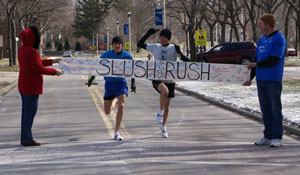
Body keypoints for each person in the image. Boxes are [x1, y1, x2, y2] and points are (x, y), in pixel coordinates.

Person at [137, 28, 189, 138]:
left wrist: (179, 52)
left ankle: (163, 126)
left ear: (168, 38)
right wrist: (148, 33)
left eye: (164, 37)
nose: (161, 39)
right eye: (160, 36)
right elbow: (140, 44)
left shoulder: (173, 48)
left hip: (170, 79)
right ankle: (160, 113)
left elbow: (187, 61)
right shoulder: (155, 47)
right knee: (164, 92)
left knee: (167, 105)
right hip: (157, 78)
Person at [244, 14, 286, 147]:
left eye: (261, 24)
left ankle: (277, 137)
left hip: (273, 79)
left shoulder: (279, 38)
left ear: (268, 24)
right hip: (261, 80)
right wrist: (249, 78)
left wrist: (255, 65)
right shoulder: (261, 40)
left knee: (275, 109)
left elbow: (274, 59)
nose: (259, 26)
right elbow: (256, 60)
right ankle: (267, 136)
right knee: (265, 110)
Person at [18, 26, 64, 146]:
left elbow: (37, 62)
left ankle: (25, 137)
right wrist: (55, 72)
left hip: (24, 86)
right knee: (29, 113)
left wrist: (52, 61)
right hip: (31, 87)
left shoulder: (23, 49)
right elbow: (38, 68)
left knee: (26, 113)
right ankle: (26, 138)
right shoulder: (31, 51)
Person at [97, 36, 135, 140]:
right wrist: (91, 78)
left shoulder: (127, 56)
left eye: (119, 43)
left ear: (121, 45)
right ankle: (114, 100)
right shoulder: (106, 55)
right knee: (107, 111)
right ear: (112, 45)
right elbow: (96, 67)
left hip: (121, 84)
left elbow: (134, 70)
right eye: (115, 44)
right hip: (109, 84)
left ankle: (117, 132)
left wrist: (133, 81)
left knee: (121, 106)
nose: (117, 45)